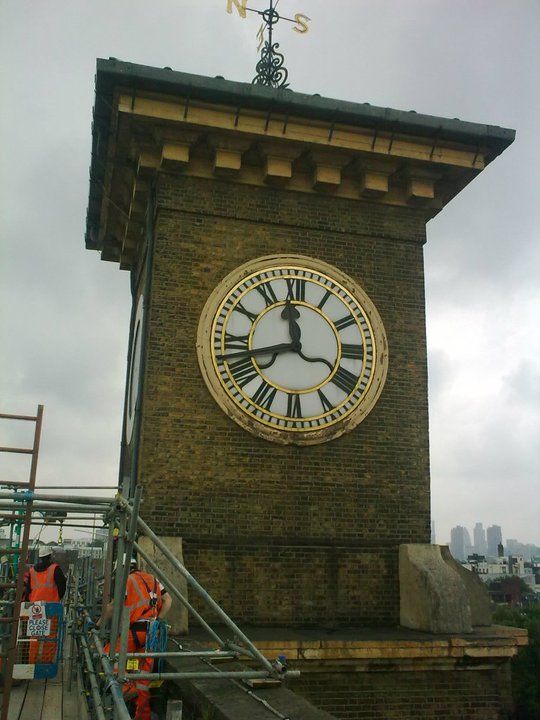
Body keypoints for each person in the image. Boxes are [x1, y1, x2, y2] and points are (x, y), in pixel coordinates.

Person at [97, 557, 172, 720]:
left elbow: (112, 606)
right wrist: (158, 620)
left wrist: (98, 624)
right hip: (152, 635)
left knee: (108, 654)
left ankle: (124, 690)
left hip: (134, 632)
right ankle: (141, 715)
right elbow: (168, 600)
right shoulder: (153, 579)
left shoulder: (126, 581)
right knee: (142, 679)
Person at [24, 546, 66, 664]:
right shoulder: (55, 569)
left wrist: (30, 601)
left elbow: (28, 590)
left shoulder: (32, 570)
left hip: (35, 606)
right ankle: (46, 661)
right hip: (52, 606)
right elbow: (62, 586)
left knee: (34, 634)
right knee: (51, 635)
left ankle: (31, 662)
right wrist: (57, 598)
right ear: (50, 556)